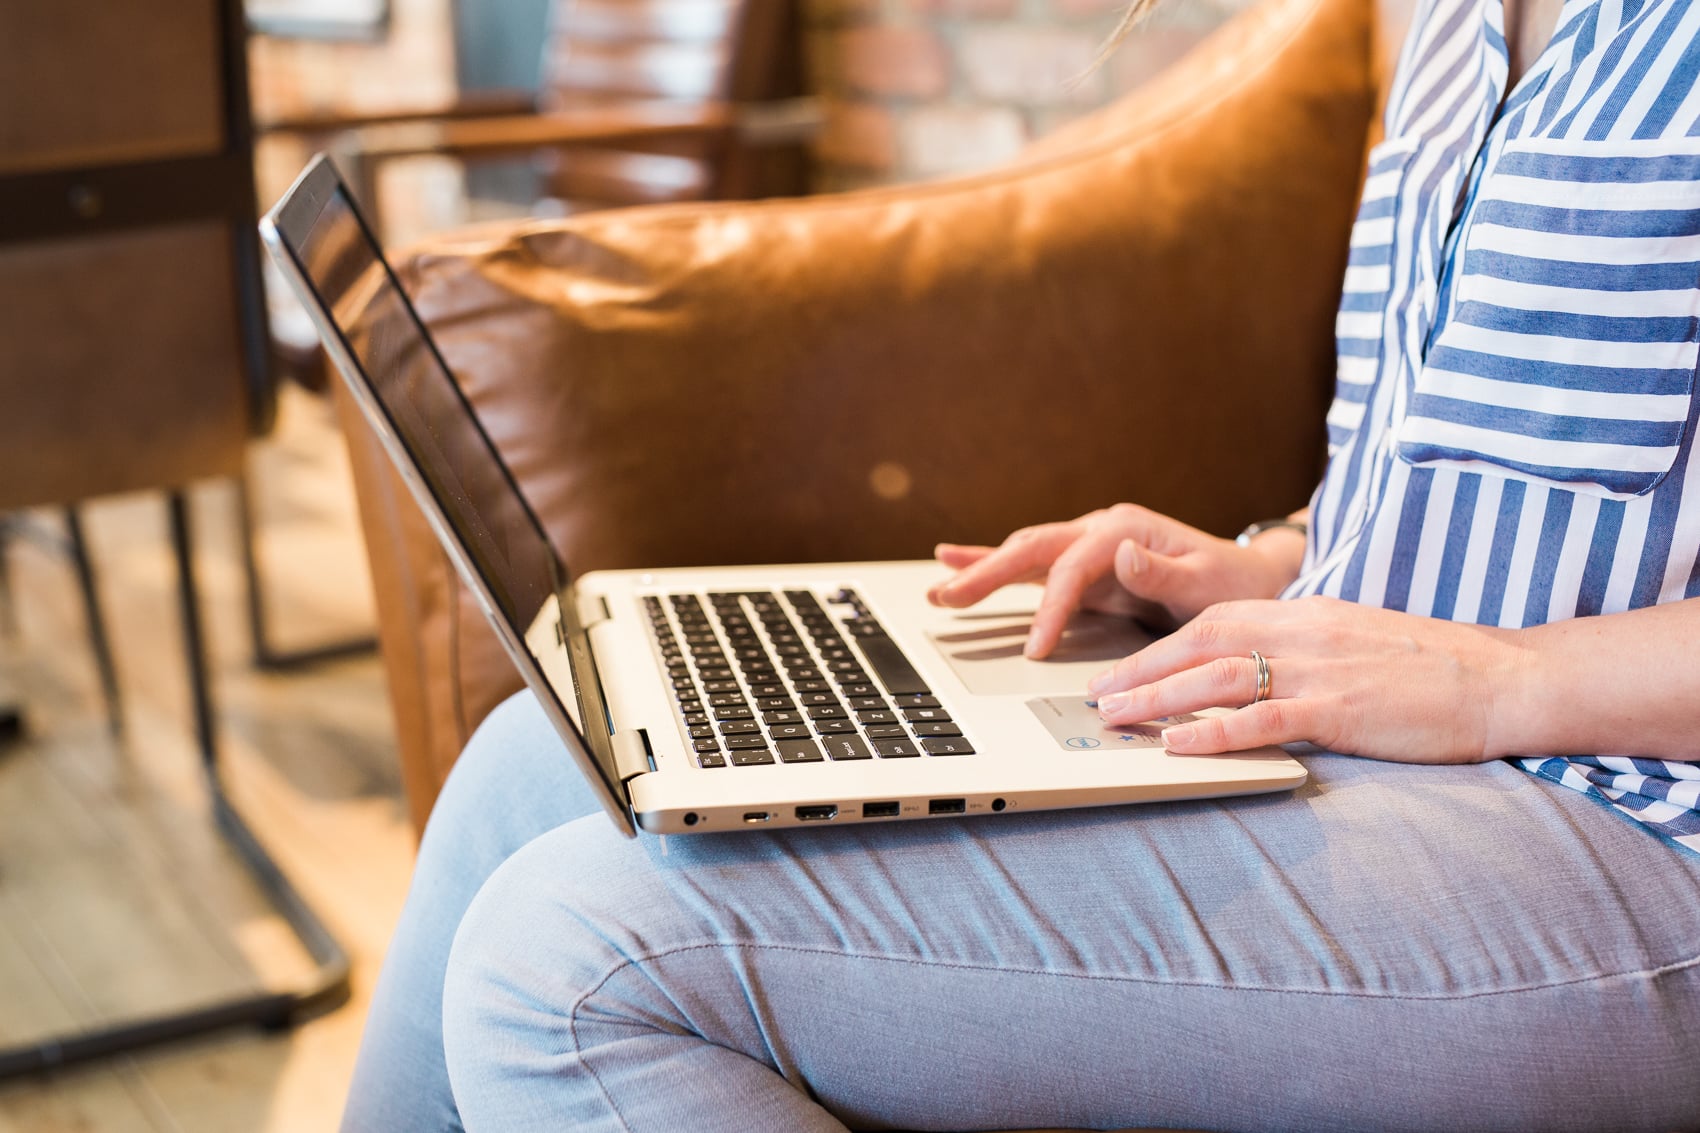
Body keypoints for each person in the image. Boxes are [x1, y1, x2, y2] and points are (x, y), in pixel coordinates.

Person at [338, 0, 1700, 1124]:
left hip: (1629, 822)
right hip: (1380, 745)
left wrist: (1495, 681)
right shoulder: (1460, 23)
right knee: (535, 756)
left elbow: (1496, 648)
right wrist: (1271, 565)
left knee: (571, 965)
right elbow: (1473, 454)